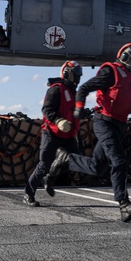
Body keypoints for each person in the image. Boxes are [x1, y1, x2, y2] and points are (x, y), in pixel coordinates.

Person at [46, 43, 131, 222]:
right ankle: (124, 205)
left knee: (97, 167)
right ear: (125, 57)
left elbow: (122, 100)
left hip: (118, 125)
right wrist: (79, 108)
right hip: (104, 122)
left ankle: (66, 159)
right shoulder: (111, 72)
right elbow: (84, 88)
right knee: (119, 161)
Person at [23, 61, 83, 207]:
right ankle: (28, 194)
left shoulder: (74, 93)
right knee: (44, 165)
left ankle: (50, 178)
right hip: (52, 133)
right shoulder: (56, 90)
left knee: (75, 161)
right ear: (68, 73)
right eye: (76, 75)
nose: (78, 78)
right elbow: (47, 110)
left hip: (68, 135)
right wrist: (58, 121)